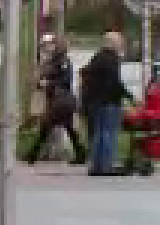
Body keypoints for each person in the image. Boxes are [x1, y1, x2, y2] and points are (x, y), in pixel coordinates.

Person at [81, 31, 133, 177]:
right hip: (109, 101)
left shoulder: (97, 57)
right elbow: (115, 82)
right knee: (109, 133)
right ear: (114, 43)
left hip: (95, 101)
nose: (122, 44)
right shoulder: (112, 59)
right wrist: (128, 96)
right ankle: (106, 166)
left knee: (98, 133)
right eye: (120, 41)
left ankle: (97, 166)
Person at [27, 35, 80, 165]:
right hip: (59, 100)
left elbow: (65, 80)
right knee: (68, 128)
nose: (53, 48)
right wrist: (39, 83)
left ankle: (32, 155)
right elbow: (45, 78)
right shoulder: (54, 62)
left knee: (46, 127)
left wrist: (49, 83)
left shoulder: (63, 62)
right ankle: (81, 153)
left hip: (60, 100)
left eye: (55, 46)